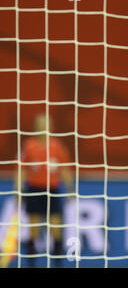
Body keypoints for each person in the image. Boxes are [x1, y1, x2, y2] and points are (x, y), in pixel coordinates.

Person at [14, 114, 73, 267]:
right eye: (41, 125)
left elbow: (65, 169)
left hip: (52, 189)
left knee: (55, 229)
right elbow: (21, 170)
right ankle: (31, 263)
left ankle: (58, 263)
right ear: (36, 127)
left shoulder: (58, 146)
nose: (44, 128)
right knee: (33, 229)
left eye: (46, 125)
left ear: (51, 127)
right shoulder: (28, 146)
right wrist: (17, 190)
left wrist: (70, 189)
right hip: (34, 189)